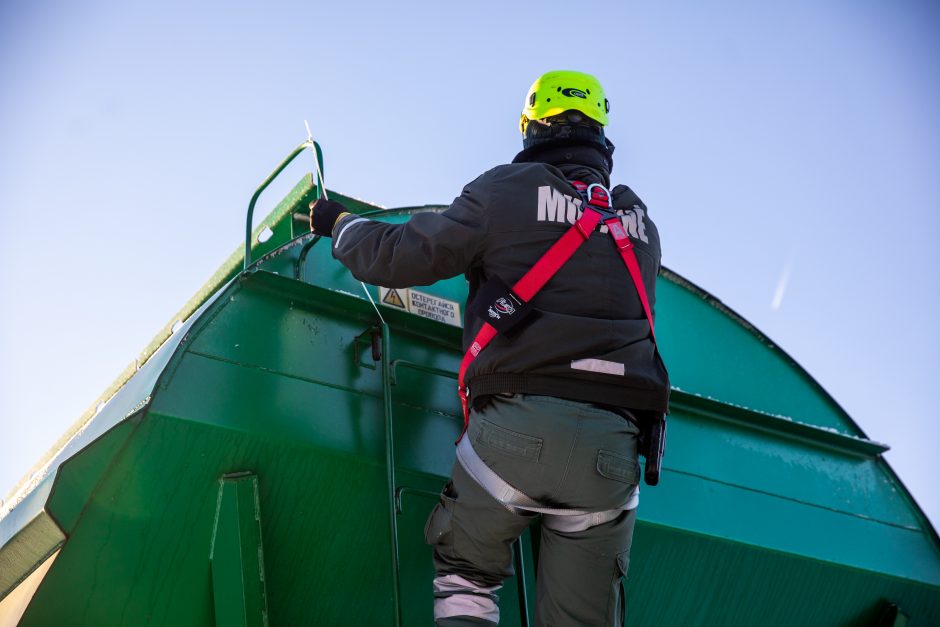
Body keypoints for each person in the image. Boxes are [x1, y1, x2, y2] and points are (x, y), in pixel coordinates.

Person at [310, 70, 669, 627]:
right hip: (612, 453)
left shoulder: (507, 191)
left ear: (531, 127)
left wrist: (341, 225)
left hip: (515, 435)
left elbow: (404, 255)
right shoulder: (641, 225)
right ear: (601, 134)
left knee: (467, 577)